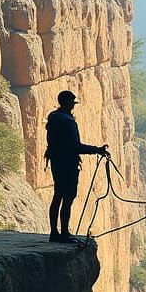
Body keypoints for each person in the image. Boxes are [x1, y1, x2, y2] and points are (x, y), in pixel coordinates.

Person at [45, 89, 109, 243]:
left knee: (57, 196)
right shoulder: (67, 121)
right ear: (66, 103)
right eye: (72, 103)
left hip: (56, 161)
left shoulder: (53, 118)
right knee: (68, 198)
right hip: (68, 164)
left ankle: (54, 232)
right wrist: (97, 150)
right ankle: (64, 233)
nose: (73, 106)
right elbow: (75, 146)